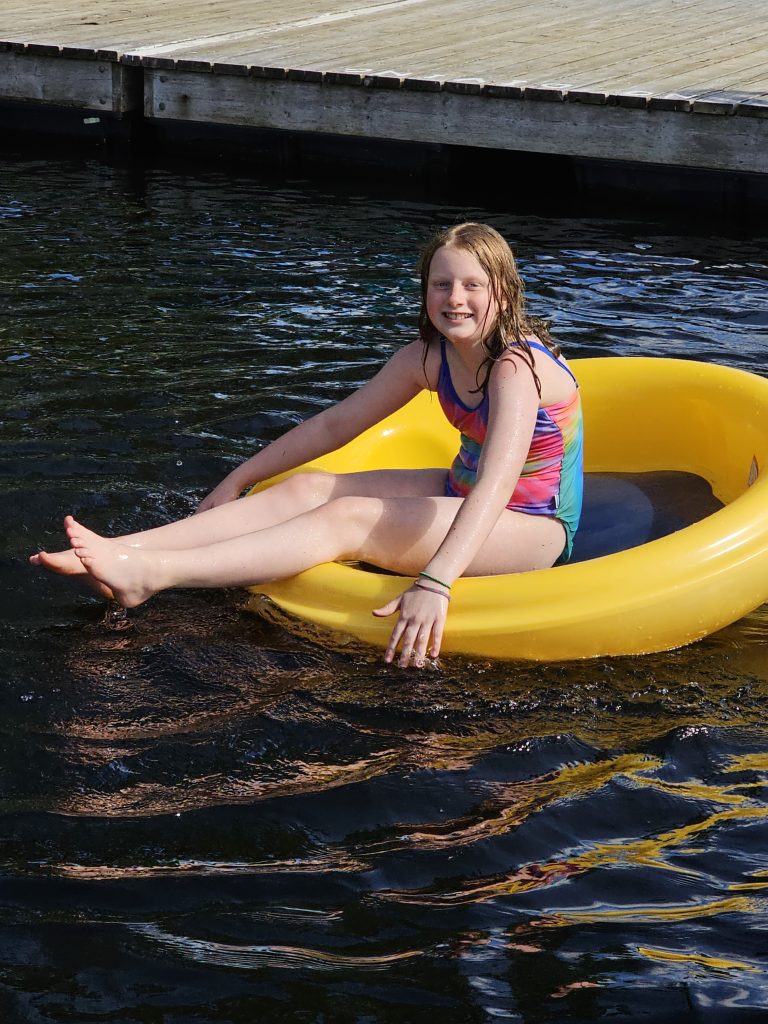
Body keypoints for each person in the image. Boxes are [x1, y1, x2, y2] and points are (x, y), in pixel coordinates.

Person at [31, 223, 583, 668]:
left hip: (532, 525)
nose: (454, 299)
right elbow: (333, 427)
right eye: (441, 284)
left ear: (503, 292)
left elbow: (497, 484)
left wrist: (435, 582)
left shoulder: (516, 366)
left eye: (472, 285)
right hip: (458, 489)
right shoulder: (428, 355)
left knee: (348, 517)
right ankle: (124, 551)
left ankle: (152, 576)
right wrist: (238, 478)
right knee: (309, 487)